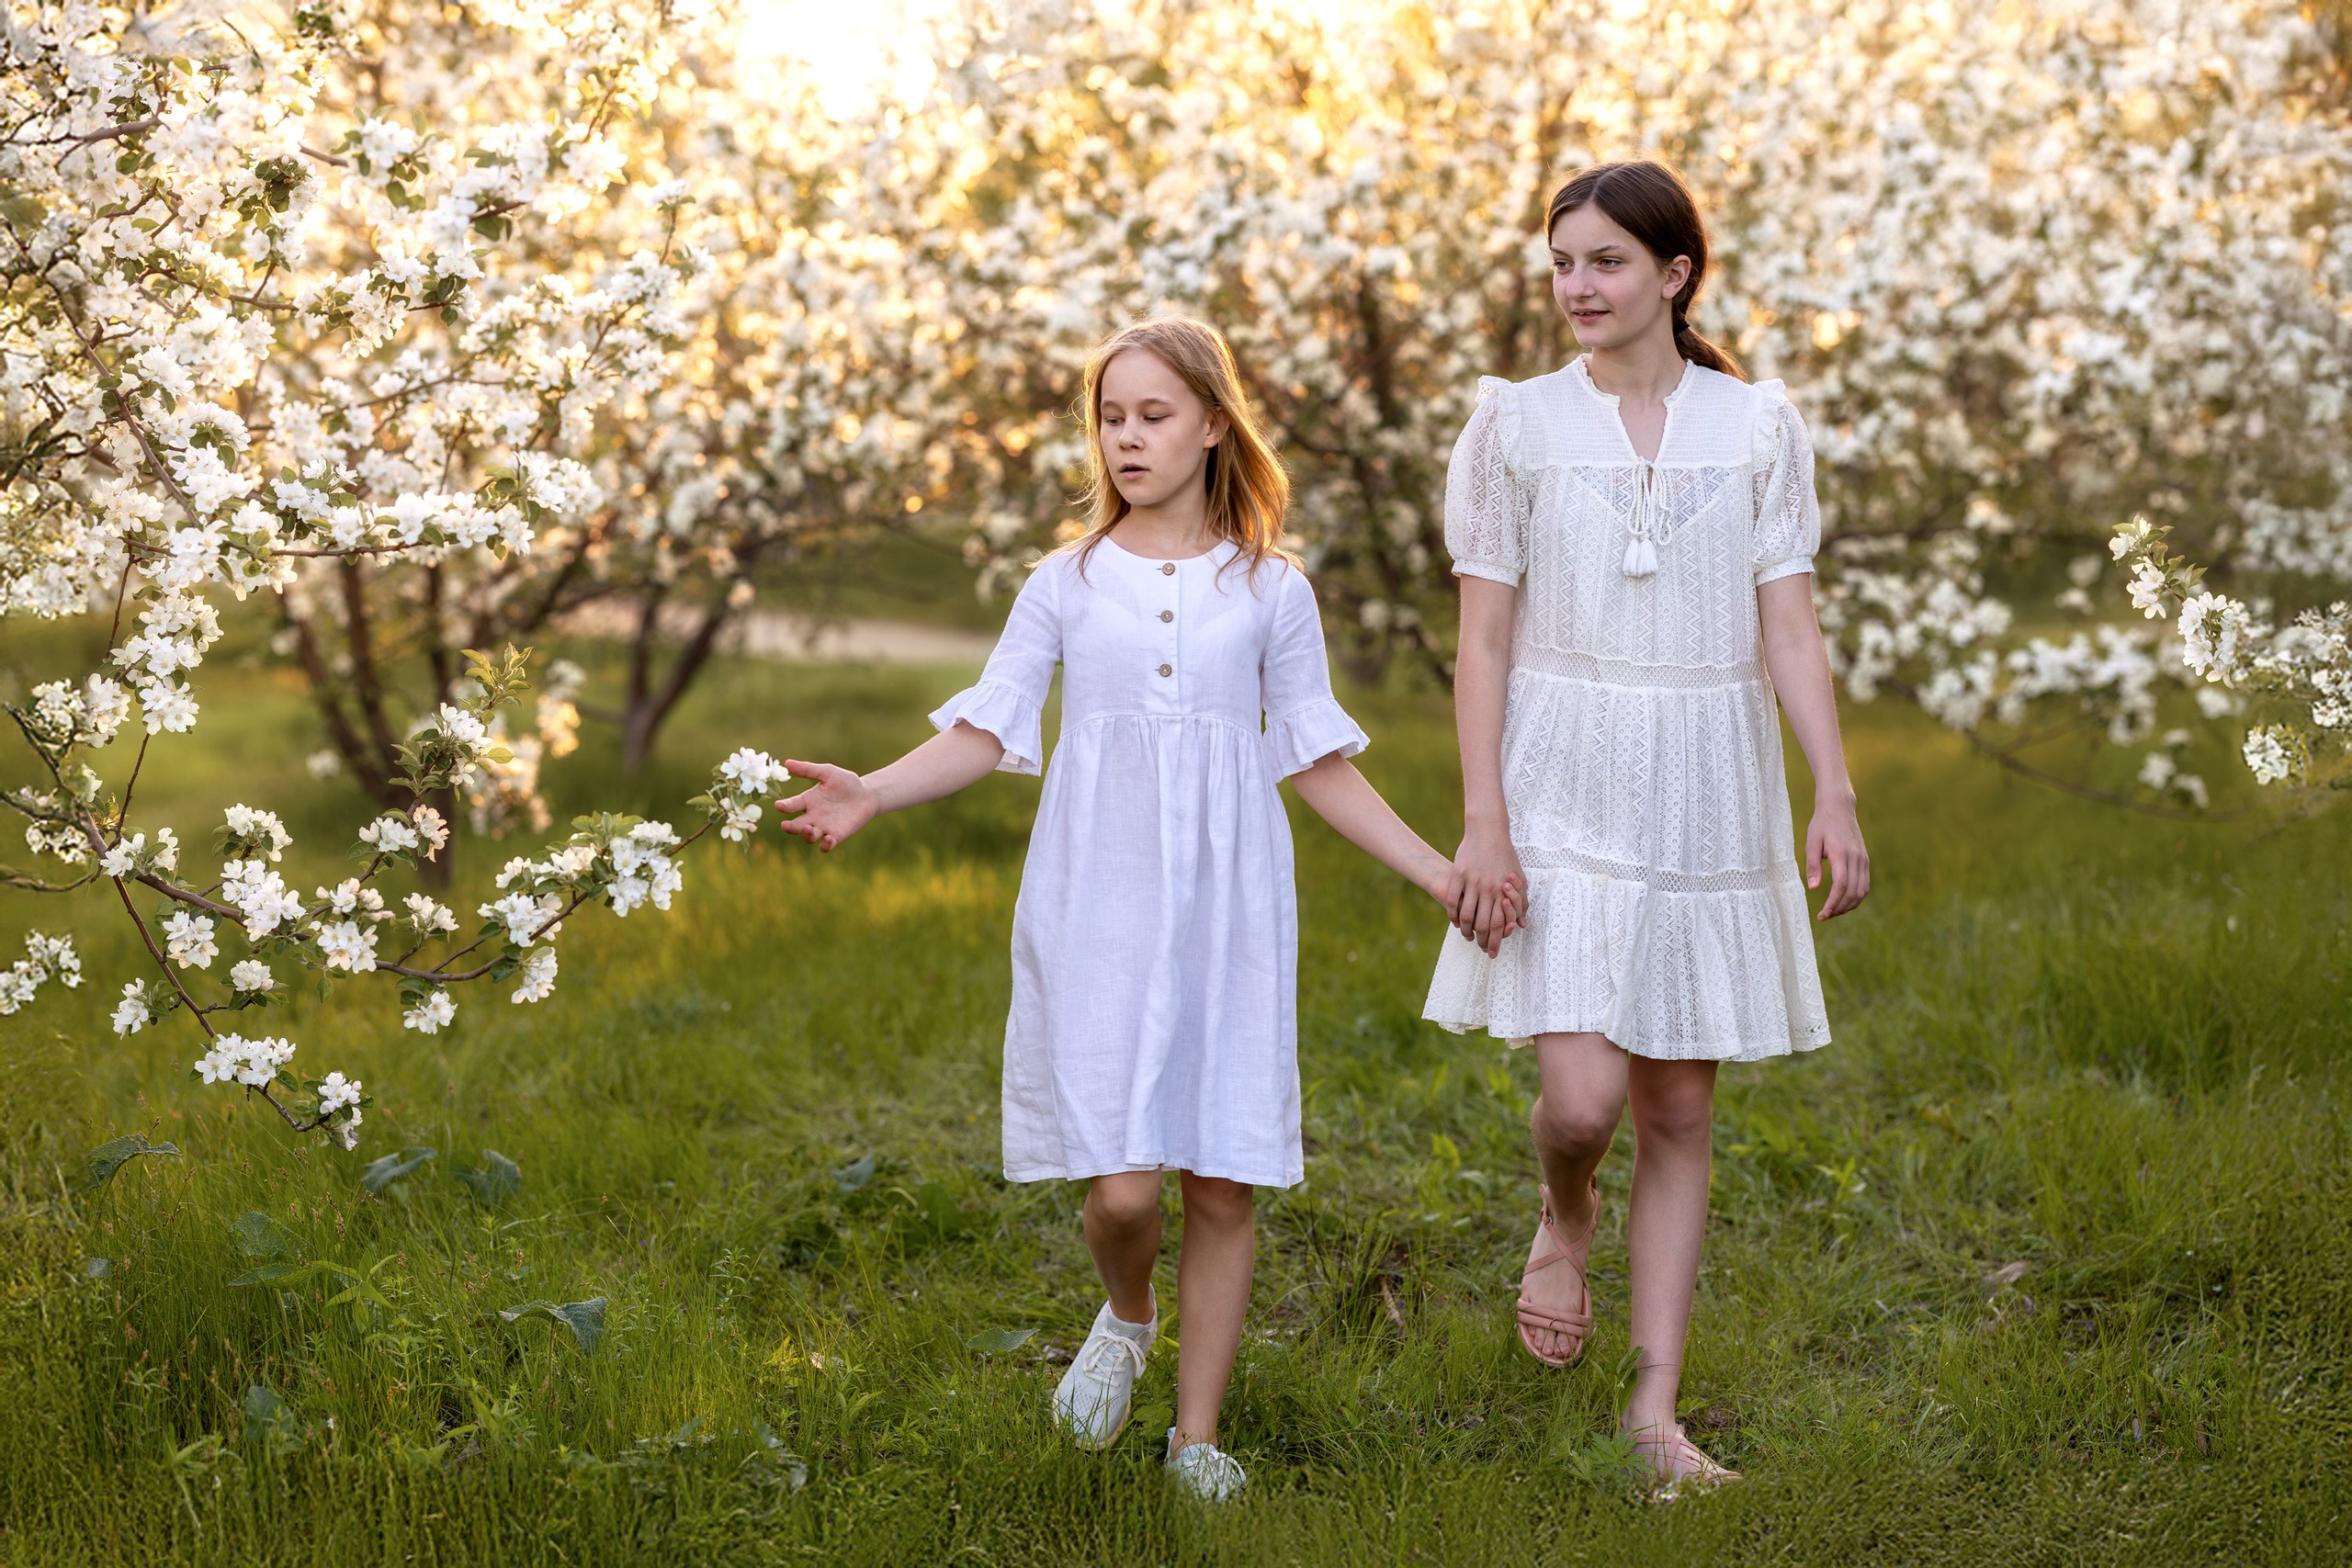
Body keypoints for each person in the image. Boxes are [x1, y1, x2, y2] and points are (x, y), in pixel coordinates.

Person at [775, 316, 1473, 1500]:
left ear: (1212, 424)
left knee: (1222, 1174)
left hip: (1228, 900)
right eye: (1112, 416)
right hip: (1097, 884)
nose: (1130, 437)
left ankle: (1195, 1436)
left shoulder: (1269, 589)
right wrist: (877, 794)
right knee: (1123, 1187)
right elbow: (991, 723)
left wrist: (1441, 872)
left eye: (1155, 415)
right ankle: (1127, 1315)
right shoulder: (1067, 579)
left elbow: (1315, 759)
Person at [1426, 160, 1871, 1490]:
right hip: (1560, 773)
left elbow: (1786, 620)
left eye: (1605, 261)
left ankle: (1653, 1414)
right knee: (1582, 1097)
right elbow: (1483, 642)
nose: (1576, 286)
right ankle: (1566, 1214)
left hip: (1704, 777)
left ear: (1674, 276)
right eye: (1562, 262)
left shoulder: (1760, 429)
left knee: (1676, 1101)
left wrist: (1831, 787)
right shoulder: (1512, 426)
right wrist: (1483, 818)